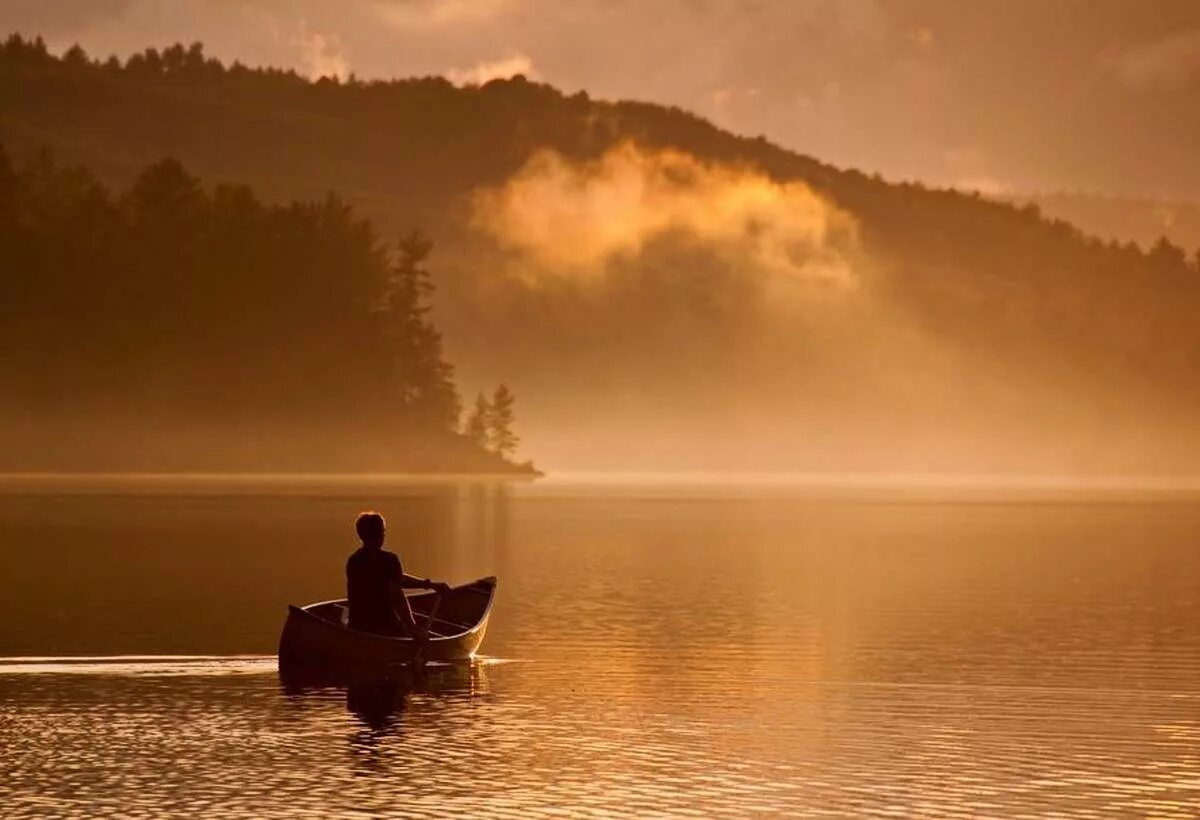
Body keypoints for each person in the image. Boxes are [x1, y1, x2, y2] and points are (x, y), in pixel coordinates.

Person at [346, 511, 450, 638]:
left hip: (356, 626)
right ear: (380, 534)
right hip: (385, 627)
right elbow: (397, 595)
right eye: (383, 531)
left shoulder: (354, 561)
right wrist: (413, 629)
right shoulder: (389, 560)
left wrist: (429, 584)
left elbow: (397, 578)